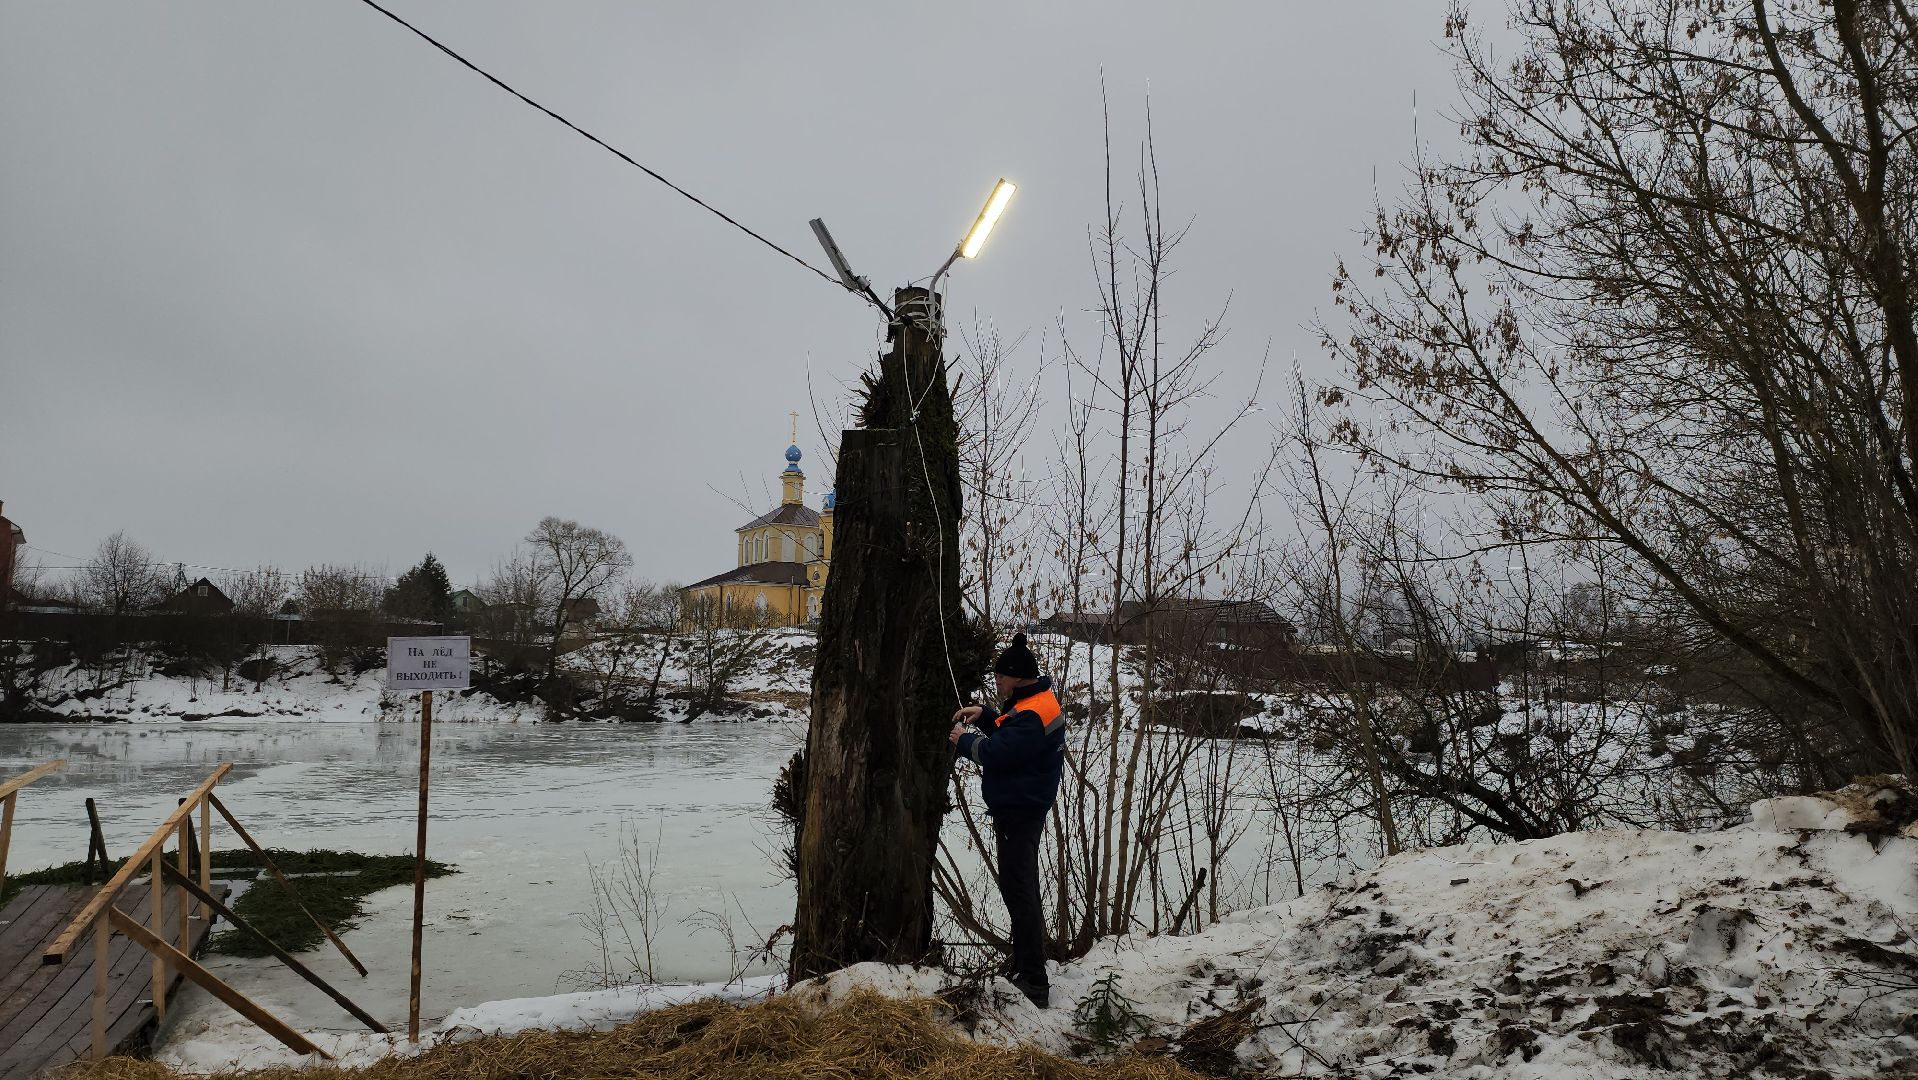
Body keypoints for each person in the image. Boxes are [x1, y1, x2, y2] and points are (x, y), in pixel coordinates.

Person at [949, 632, 1067, 1007]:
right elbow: (1008, 733)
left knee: (1020, 892)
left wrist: (963, 740)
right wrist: (985, 715)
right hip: (1023, 808)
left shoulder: (1033, 714)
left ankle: (1034, 979)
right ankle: (1026, 967)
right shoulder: (1035, 702)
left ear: (1018, 676)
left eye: (1001, 676)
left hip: (1020, 811)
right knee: (1021, 889)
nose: (997, 681)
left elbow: (999, 754)